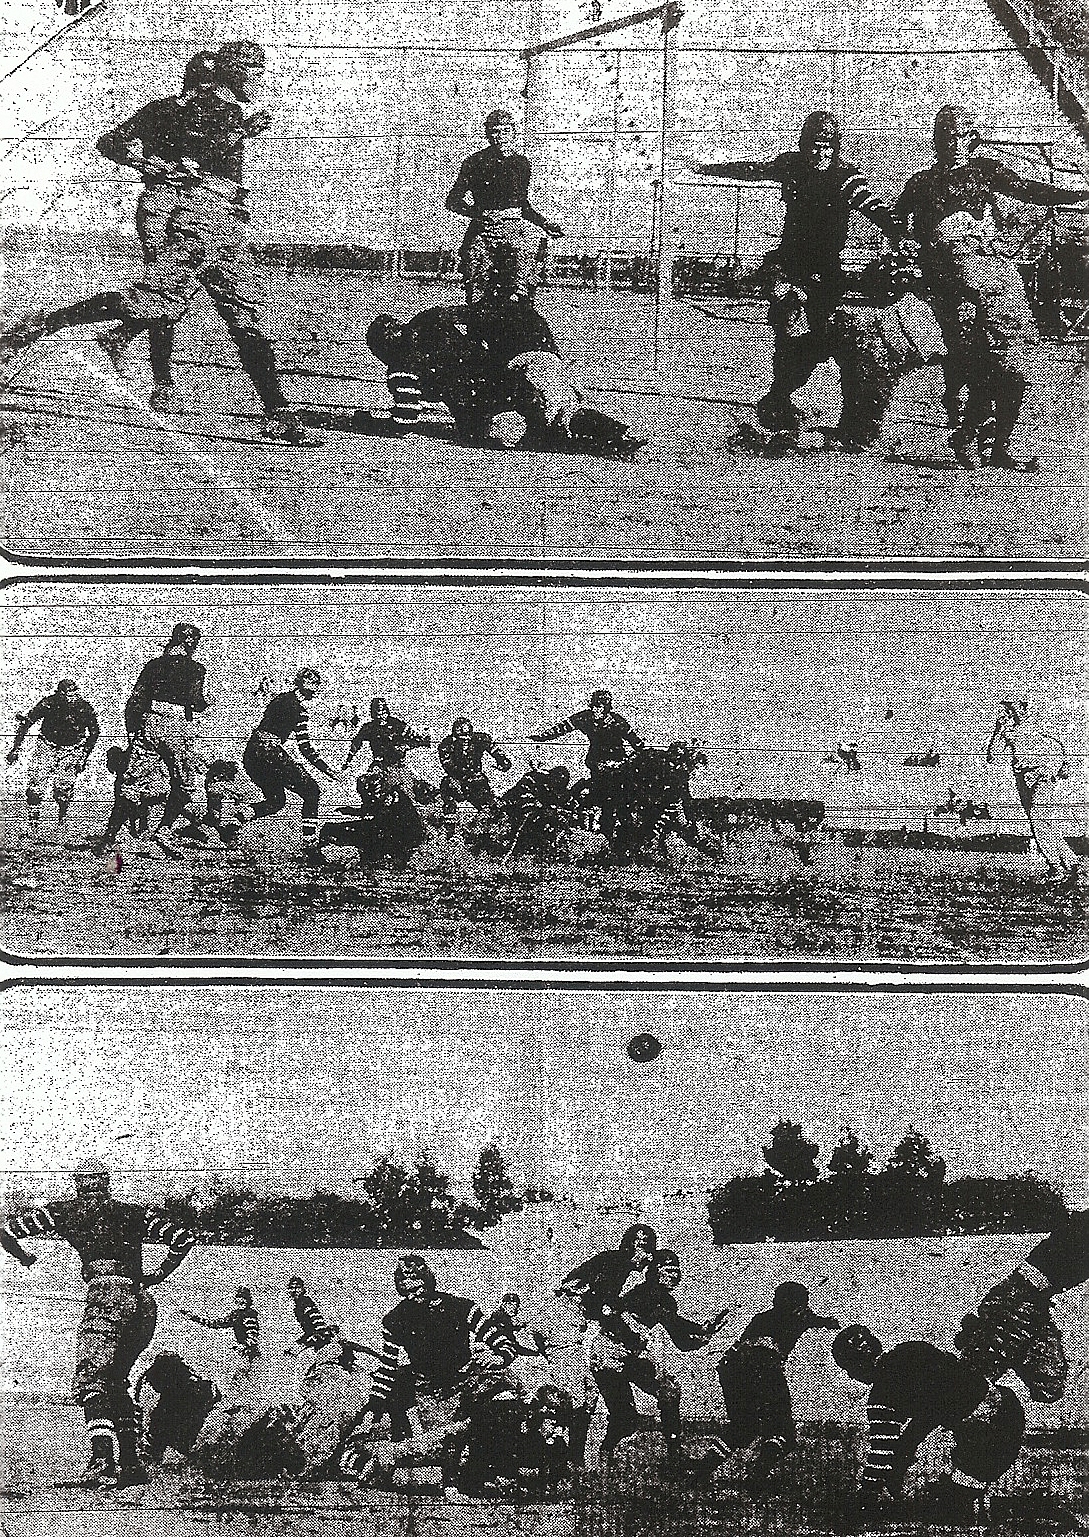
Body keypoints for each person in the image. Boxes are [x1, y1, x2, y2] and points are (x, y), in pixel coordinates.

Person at [0, 42, 312, 444]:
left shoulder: (210, 109)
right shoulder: (189, 110)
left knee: (211, 306)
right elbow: (161, 153)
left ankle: (269, 407)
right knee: (175, 303)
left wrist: (176, 169)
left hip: (215, 215)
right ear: (225, 72)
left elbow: (180, 159)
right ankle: (46, 327)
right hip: (181, 212)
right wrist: (166, 162)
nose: (256, 76)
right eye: (250, 68)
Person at [894, 105, 1089, 468]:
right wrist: (907, 246)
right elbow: (894, 219)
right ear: (936, 141)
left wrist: (1074, 195)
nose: (953, 144)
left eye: (961, 136)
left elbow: (1028, 190)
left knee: (1017, 365)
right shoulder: (921, 183)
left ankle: (998, 444)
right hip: (952, 284)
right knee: (977, 365)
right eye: (945, 136)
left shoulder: (984, 172)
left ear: (972, 140)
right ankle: (968, 435)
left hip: (996, 277)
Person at [689, 111, 900, 434]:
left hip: (825, 273)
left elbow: (872, 206)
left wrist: (899, 231)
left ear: (836, 147)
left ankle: (780, 396)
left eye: (828, 147)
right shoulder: (791, 166)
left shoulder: (845, 177)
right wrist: (706, 168)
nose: (821, 154)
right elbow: (753, 170)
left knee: (813, 345)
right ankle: (779, 397)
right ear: (804, 145)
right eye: (815, 146)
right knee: (789, 322)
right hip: (787, 265)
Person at [0, 1159, 196, 1488]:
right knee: (117, 1380)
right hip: (142, 1304)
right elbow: (184, 1238)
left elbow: (5, 1231)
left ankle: (103, 1462)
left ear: (78, 1184)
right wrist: (158, 1275)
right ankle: (132, 1464)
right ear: (106, 1184)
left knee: (93, 1382)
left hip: (106, 1299)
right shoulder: (134, 1214)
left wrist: (24, 1257)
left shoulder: (65, 1212)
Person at [94, 48, 221, 411]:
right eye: (204, 81)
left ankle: (123, 336)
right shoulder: (163, 110)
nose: (206, 89)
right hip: (161, 205)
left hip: (198, 209)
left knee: (177, 289)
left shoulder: (215, 117)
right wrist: (153, 163)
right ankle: (161, 383)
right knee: (165, 289)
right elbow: (110, 142)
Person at [346, 1254, 518, 1491]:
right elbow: (387, 1369)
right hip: (426, 1394)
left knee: (504, 1396)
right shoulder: (394, 1320)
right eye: (405, 1291)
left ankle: (495, 1472)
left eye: (417, 1288)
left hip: (466, 1385)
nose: (413, 1296)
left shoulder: (461, 1308)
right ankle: (399, 1461)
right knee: (401, 1390)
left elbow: (503, 1343)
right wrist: (371, 1412)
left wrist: (498, 1357)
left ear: (428, 1283)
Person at [832, 1324, 1027, 1526]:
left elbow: (882, 1454)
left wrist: (866, 1498)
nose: (850, 1376)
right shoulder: (912, 1350)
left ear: (858, 1365)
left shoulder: (882, 1393)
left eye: (848, 1369)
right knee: (954, 1500)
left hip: (987, 1438)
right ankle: (970, 1502)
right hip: (1008, 1410)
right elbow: (936, 1404)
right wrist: (905, 1448)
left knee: (945, 1512)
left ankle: (966, 1502)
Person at [699, 1281, 840, 1490]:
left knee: (743, 1428)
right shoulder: (797, 1318)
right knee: (784, 1434)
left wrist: (824, 1321)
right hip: (763, 1371)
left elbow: (736, 1351)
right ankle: (758, 1474)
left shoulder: (764, 1318)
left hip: (732, 1370)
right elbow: (813, 1320)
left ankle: (702, 1471)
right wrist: (829, 1322)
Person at [97, 620, 210, 858]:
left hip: (149, 723)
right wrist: (204, 704)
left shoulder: (154, 665)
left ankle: (109, 835)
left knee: (131, 785)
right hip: (178, 725)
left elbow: (135, 699)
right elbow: (196, 701)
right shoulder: (196, 669)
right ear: (191, 643)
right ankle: (164, 832)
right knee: (185, 785)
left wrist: (134, 728)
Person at [589, 1249, 712, 1466]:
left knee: (669, 1391)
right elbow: (670, 1323)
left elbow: (681, 1341)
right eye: (669, 1271)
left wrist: (700, 1338)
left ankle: (674, 1452)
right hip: (608, 1355)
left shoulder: (666, 1301)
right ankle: (606, 1451)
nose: (675, 1276)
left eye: (677, 1271)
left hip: (632, 1356)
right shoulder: (643, 1294)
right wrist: (697, 1330)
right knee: (625, 1418)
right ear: (655, 1272)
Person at [955, 1208, 1089, 1405]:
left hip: (1028, 1303)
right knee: (970, 1385)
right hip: (1016, 1303)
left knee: (1050, 1386)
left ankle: (981, 1342)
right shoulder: (1081, 1227)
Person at [555, 1222, 658, 1465]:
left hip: (588, 1328)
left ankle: (575, 1458)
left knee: (593, 1400)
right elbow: (602, 1306)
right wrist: (631, 1336)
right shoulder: (615, 1265)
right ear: (631, 1246)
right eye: (642, 1246)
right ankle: (569, 1459)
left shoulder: (623, 1268)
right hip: (578, 1330)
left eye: (648, 1247)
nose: (647, 1254)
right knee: (584, 1398)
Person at [445, 109, 565, 304]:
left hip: (513, 228)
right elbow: (453, 201)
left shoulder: (521, 164)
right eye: (495, 131)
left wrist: (544, 223)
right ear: (487, 133)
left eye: (506, 130)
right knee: (476, 281)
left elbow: (522, 205)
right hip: (482, 229)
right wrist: (479, 214)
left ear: (514, 133)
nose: (500, 136)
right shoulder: (474, 162)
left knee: (524, 277)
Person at [239, 669, 341, 848]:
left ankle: (235, 821)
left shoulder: (279, 699)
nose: (316, 691)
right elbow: (305, 747)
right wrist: (327, 769)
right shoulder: (299, 710)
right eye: (314, 686)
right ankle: (309, 846)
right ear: (306, 686)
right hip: (269, 752)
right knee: (312, 791)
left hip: (251, 753)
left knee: (276, 801)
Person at [361, 307, 497, 443]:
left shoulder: (402, 364)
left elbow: (405, 420)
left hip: (474, 394)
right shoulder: (427, 318)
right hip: (493, 368)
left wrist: (369, 425)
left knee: (472, 436)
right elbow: (469, 313)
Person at [985, 698, 1079, 884]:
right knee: (1040, 821)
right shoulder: (1008, 729)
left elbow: (1062, 740)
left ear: (1022, 706)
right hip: (1022, 777)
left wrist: (1062, 765)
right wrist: (998, 730)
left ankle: (1056, 867)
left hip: (1043, 775)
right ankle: (1070, 860)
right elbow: (993, 756)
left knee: (1038, 820)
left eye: (1012, 708)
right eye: (1007, 709)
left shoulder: (1039, 721)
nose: (1009, 713)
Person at [530, 690, 644, 839]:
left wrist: (634, 756)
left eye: (600, 706)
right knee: (601, 794)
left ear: (607, 707)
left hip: (618, 763)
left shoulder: (617, 721)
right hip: (597, 762)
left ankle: (620, 830)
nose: (596, 710)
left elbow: (635, 741)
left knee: (617, 798)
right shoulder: (586, 717)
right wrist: (542, 737)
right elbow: (564, 727)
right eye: (594, 706)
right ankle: (598, 827)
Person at [7, 678, 100, 833]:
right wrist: (16, 748)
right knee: (36, 784)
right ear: (60, 694)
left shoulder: (84, 708)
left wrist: (84, 755)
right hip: (47, 745)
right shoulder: (49, 703)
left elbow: (95, 732)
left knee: (63, 789)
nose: (71, 697)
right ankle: (33, 823)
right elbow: (27, 722)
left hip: (72, 750)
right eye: (67, 694)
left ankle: (62, 818)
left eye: (74, 693)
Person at [342, 697, 433, 805]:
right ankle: (369, 808)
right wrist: (348, 761)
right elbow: (356, 743)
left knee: (412, 791)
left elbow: (416, 739)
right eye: (376, 709)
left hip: (397, 765)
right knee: (365, 784)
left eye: (382, 709)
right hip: (379, 764)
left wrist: (406, 746)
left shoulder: (396, 724)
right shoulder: (369, 727)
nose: (380, 713)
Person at [177, 1285, 260, 1398]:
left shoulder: (249, 1315)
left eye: (243, 1298)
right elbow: (215, 1324)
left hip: (251, 1354)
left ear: (248, 1300)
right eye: (238, 1297)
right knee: (240, 1381)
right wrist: (194, 1318)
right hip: (243, 1354)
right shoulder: (235, 1315)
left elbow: (253, 1337)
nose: (240, 1300)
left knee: (244, 1381)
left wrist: (243, 1346)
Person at [436, 716, 512, 819]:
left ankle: (492, 814)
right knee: (447, 785)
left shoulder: (480, 739)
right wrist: (462, 778)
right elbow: (448, 766)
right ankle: (450, 812)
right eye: (462, 738)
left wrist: (502, 760)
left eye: (468, 736)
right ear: (455, 737)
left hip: (476, 779)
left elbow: (493, 749)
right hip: (457, 779)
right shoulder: (446, 745)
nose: (466, 740)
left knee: (486, 800)